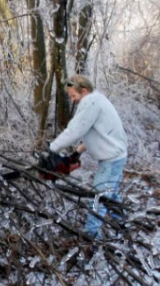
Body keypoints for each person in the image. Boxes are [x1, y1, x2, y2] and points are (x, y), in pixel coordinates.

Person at [49, 74, 128, 239]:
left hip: (111, 159)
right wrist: (78, 151)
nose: (72, 100)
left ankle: (91, 235)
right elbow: (98, 131)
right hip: (117, 155)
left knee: (99, 196)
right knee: (110, 193)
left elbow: (75, 130)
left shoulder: (90, 103)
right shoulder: (97, 100)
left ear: (83, 90)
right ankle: (122, 225)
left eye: (73, 96)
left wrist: (52, 148)